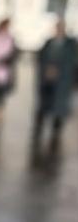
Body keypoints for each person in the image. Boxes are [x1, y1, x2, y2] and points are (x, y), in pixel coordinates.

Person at [32, 19, 77, 153]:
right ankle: (38, 129)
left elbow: (72, 62)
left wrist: (61, 72)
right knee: (43, 104)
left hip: (62, 81)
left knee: (59, 105)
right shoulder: (48, 42)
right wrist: (47, 70)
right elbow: (41, 58)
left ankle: (56, 131)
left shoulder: (70, 44)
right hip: (47, 80)